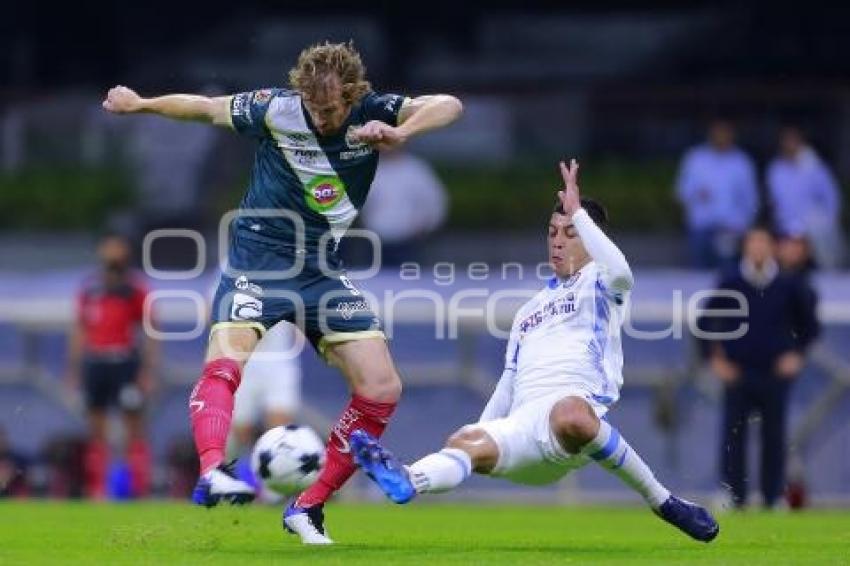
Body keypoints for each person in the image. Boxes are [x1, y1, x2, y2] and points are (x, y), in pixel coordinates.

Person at [102, 41, 463, 544]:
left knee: (382, 386)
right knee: (226, 362)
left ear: (352, 93)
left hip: (320, 269)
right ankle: (212, 471)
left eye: (331, 108)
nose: (321, 117)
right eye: (314, 108)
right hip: (257, 258)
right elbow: (205, 108)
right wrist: (141, 103)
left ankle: (308, 507)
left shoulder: (374, 111)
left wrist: (401, 131)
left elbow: (448, 104)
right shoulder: (276, 108)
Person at [350, 160, 719, 543]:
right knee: (463, 440)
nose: (557, 241)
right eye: (552, 232)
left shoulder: (601, 282)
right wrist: (484, 429)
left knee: (571, 412)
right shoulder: (529, 311)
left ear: (591, 239)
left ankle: (664, 502)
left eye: (570, 233)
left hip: (568, 426)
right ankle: (410, 478)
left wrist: (578, 211)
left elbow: (622, 271)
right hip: (523, 431)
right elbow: (507, 385)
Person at [701, 226, 820, 509]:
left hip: (774, 373)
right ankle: (733, 494)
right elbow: (705, 323)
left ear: (772, 247)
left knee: (774, 436)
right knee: (732, 434)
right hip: (738, 372)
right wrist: (716, 360)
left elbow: (809, 326)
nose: (757, 248)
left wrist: (797, 355)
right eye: (752, 242)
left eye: (763, 242)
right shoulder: (730, 281)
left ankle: (773, 495)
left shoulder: (788, 284)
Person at [65, 234, 158, 499]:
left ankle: (137, 487)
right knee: (96, 427)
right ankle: (98, 488)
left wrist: (147, 370)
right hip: (95, 362)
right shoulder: (90, 290)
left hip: (124, 362)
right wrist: (74, 369)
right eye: (109, 249)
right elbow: (80, 329)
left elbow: (150, 330)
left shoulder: (135, 290)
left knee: (133, 426)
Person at [675, 119, 759, 268]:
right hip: (701, 227)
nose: (721, 137)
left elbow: (750, 198)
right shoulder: (696, 158)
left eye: (725, 133)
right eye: (718, 133)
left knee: (728, 272)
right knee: (698, 271)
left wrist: (744, 225)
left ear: (732, 136)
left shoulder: (741, 161)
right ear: (711, 135)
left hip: (731, 229)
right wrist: (697, 194)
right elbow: (681, 191)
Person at [767, 126, 844, 269]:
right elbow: (775, 201)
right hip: (786, 230)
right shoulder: (776, 169)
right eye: (787, 141)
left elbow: (831, 197)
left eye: (794, 141)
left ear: (801, 143)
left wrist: (827, 223)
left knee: (824, 267)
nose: (790, 145)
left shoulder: (814, 167)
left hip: (814, 232)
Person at [359, 149, 448, 265]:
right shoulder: (370, 169)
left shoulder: (416, 170)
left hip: (408, 243)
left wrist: (427, 225)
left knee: (410, 280)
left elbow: (435, 201)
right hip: (374, 243)